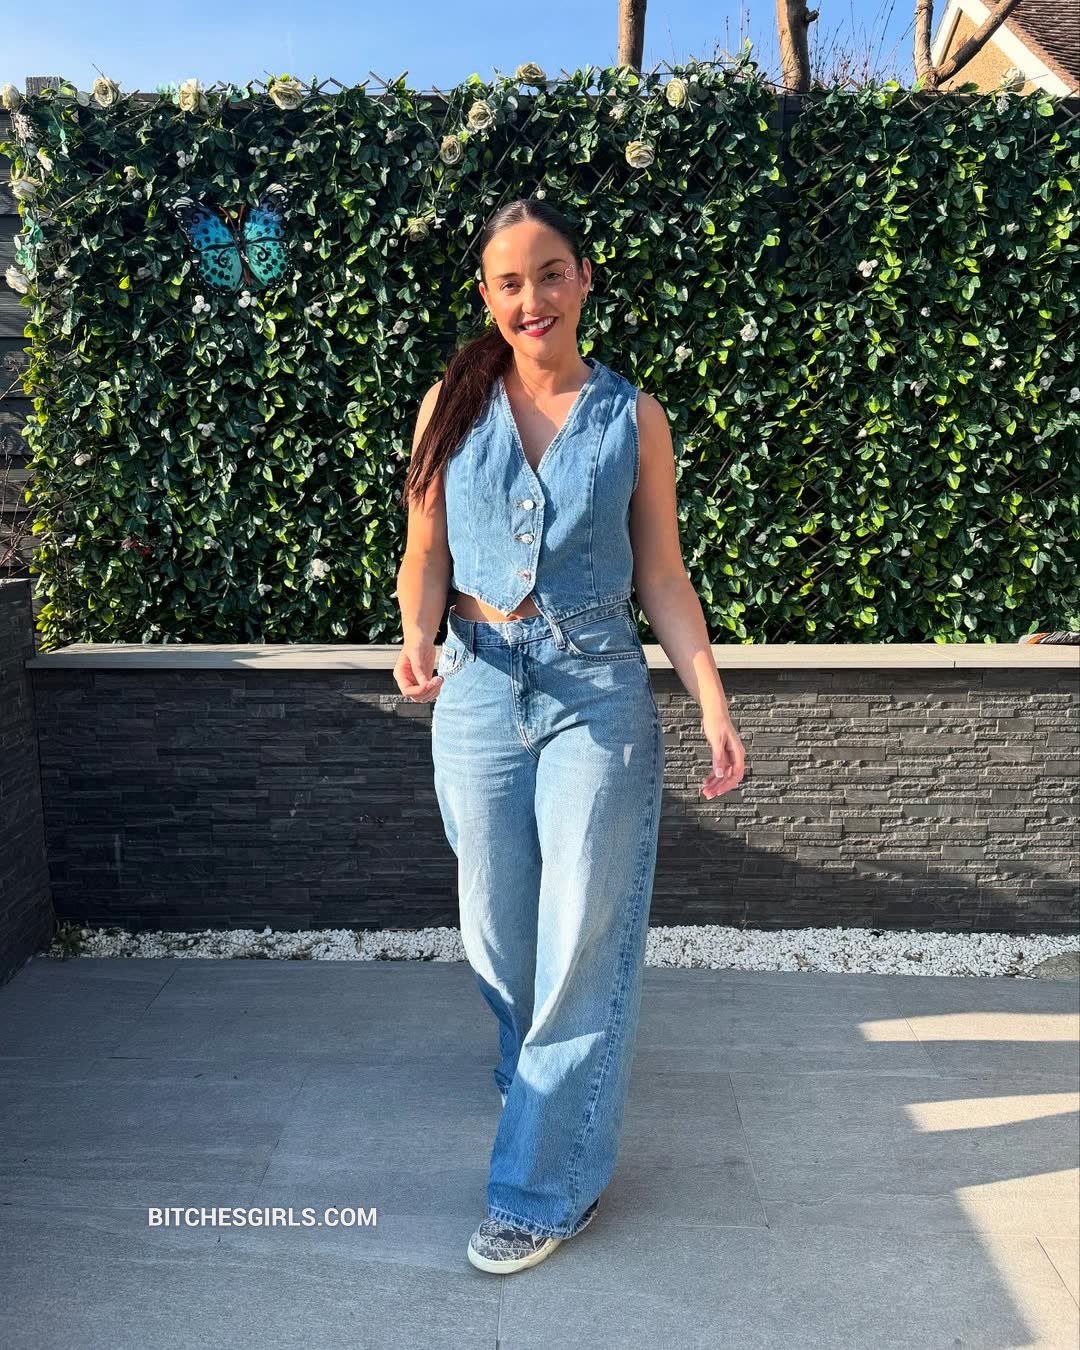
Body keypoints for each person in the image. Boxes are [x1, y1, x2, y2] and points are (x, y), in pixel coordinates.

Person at [395, 196, 745, 1274]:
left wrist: (712, 699)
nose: (532, 298)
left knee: (585, 933)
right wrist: (415, 637)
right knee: (497, 929)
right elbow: (423, 550)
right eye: (509, 282)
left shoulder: (633, 418)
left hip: (596, 688)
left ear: (584, 278)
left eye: (551, 273)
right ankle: (537, 1080)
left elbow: (663, 575)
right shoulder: (450, 404)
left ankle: (546, 1186)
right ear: (488, 297)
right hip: (476, 687)